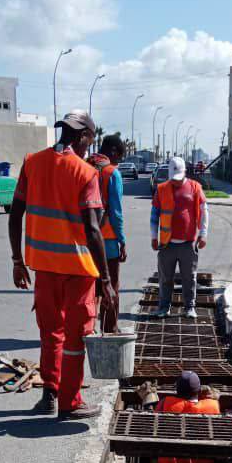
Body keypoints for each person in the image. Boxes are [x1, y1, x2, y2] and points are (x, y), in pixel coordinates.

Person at [8, 110, 117, 420]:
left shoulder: (33, 163)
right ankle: (70, 402)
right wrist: (106, 281)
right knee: (75, 337)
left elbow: (16, 215)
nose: (89, 148)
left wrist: (18, 261)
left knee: (49, 334)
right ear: (83, 137)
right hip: (78, 271)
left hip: (44, 268)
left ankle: (49, 395)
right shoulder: (85, 173)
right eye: (89, 141)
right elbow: (93, 230)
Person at [151, 156, 209, 319]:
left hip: (188, 243)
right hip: (167, 243)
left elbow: (204, 212)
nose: (176, 182)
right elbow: (154, 215)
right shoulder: (162, 189)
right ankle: (164, 307)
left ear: (184, 173)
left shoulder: (195, 187)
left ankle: (189, 307)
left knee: (189, 277)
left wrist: (203, 234)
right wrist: (154, 236)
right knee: (165, 278)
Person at [88, 134, 127, 333]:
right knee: (111, 284)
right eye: (119, 156)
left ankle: (87, 327)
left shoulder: (85, 166)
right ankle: (110, 326)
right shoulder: (112, 174)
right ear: (113, 152)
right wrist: (122, 241)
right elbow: (116, 211)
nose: (119, 161)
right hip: (108, 241)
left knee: (89, 288)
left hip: (85, 239)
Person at [155, 370, 220, 463]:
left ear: (177, 391)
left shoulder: (165, 403)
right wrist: (209, 398)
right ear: (199, 391)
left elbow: (153, 423)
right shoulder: (212, 405)